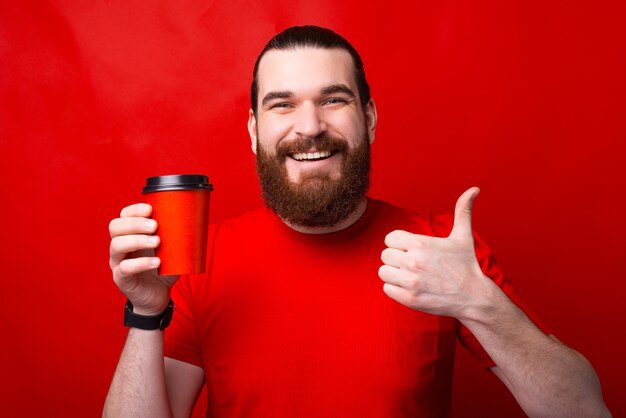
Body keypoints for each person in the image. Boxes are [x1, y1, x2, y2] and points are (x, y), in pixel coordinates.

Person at [103, 26, 610, 417]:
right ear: (255, 131)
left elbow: (583, 410)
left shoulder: (442, 249)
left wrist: (480, 303)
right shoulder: (200, 262)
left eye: (333, 100)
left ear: (368, 117)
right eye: (283, 105)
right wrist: (146, 311)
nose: (310, 127)